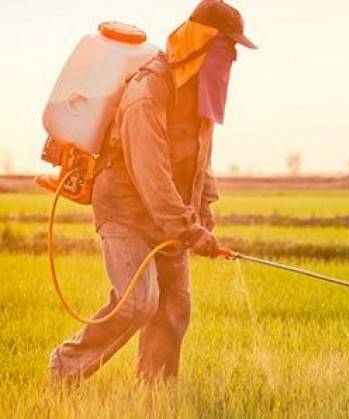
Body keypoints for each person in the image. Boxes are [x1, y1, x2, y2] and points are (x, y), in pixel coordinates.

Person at [49, 0, 256, 384]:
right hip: (125, 206)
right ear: (202, 41)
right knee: (138, 303)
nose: (232, 58)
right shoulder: (150, 88)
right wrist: (187, 228)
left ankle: (155, 397)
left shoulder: (200, 88)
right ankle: (66, 368)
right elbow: (151, 171)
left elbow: (200, 153)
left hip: (169, 213)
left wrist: (204, 207)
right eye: (227, 47)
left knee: (174, 306)